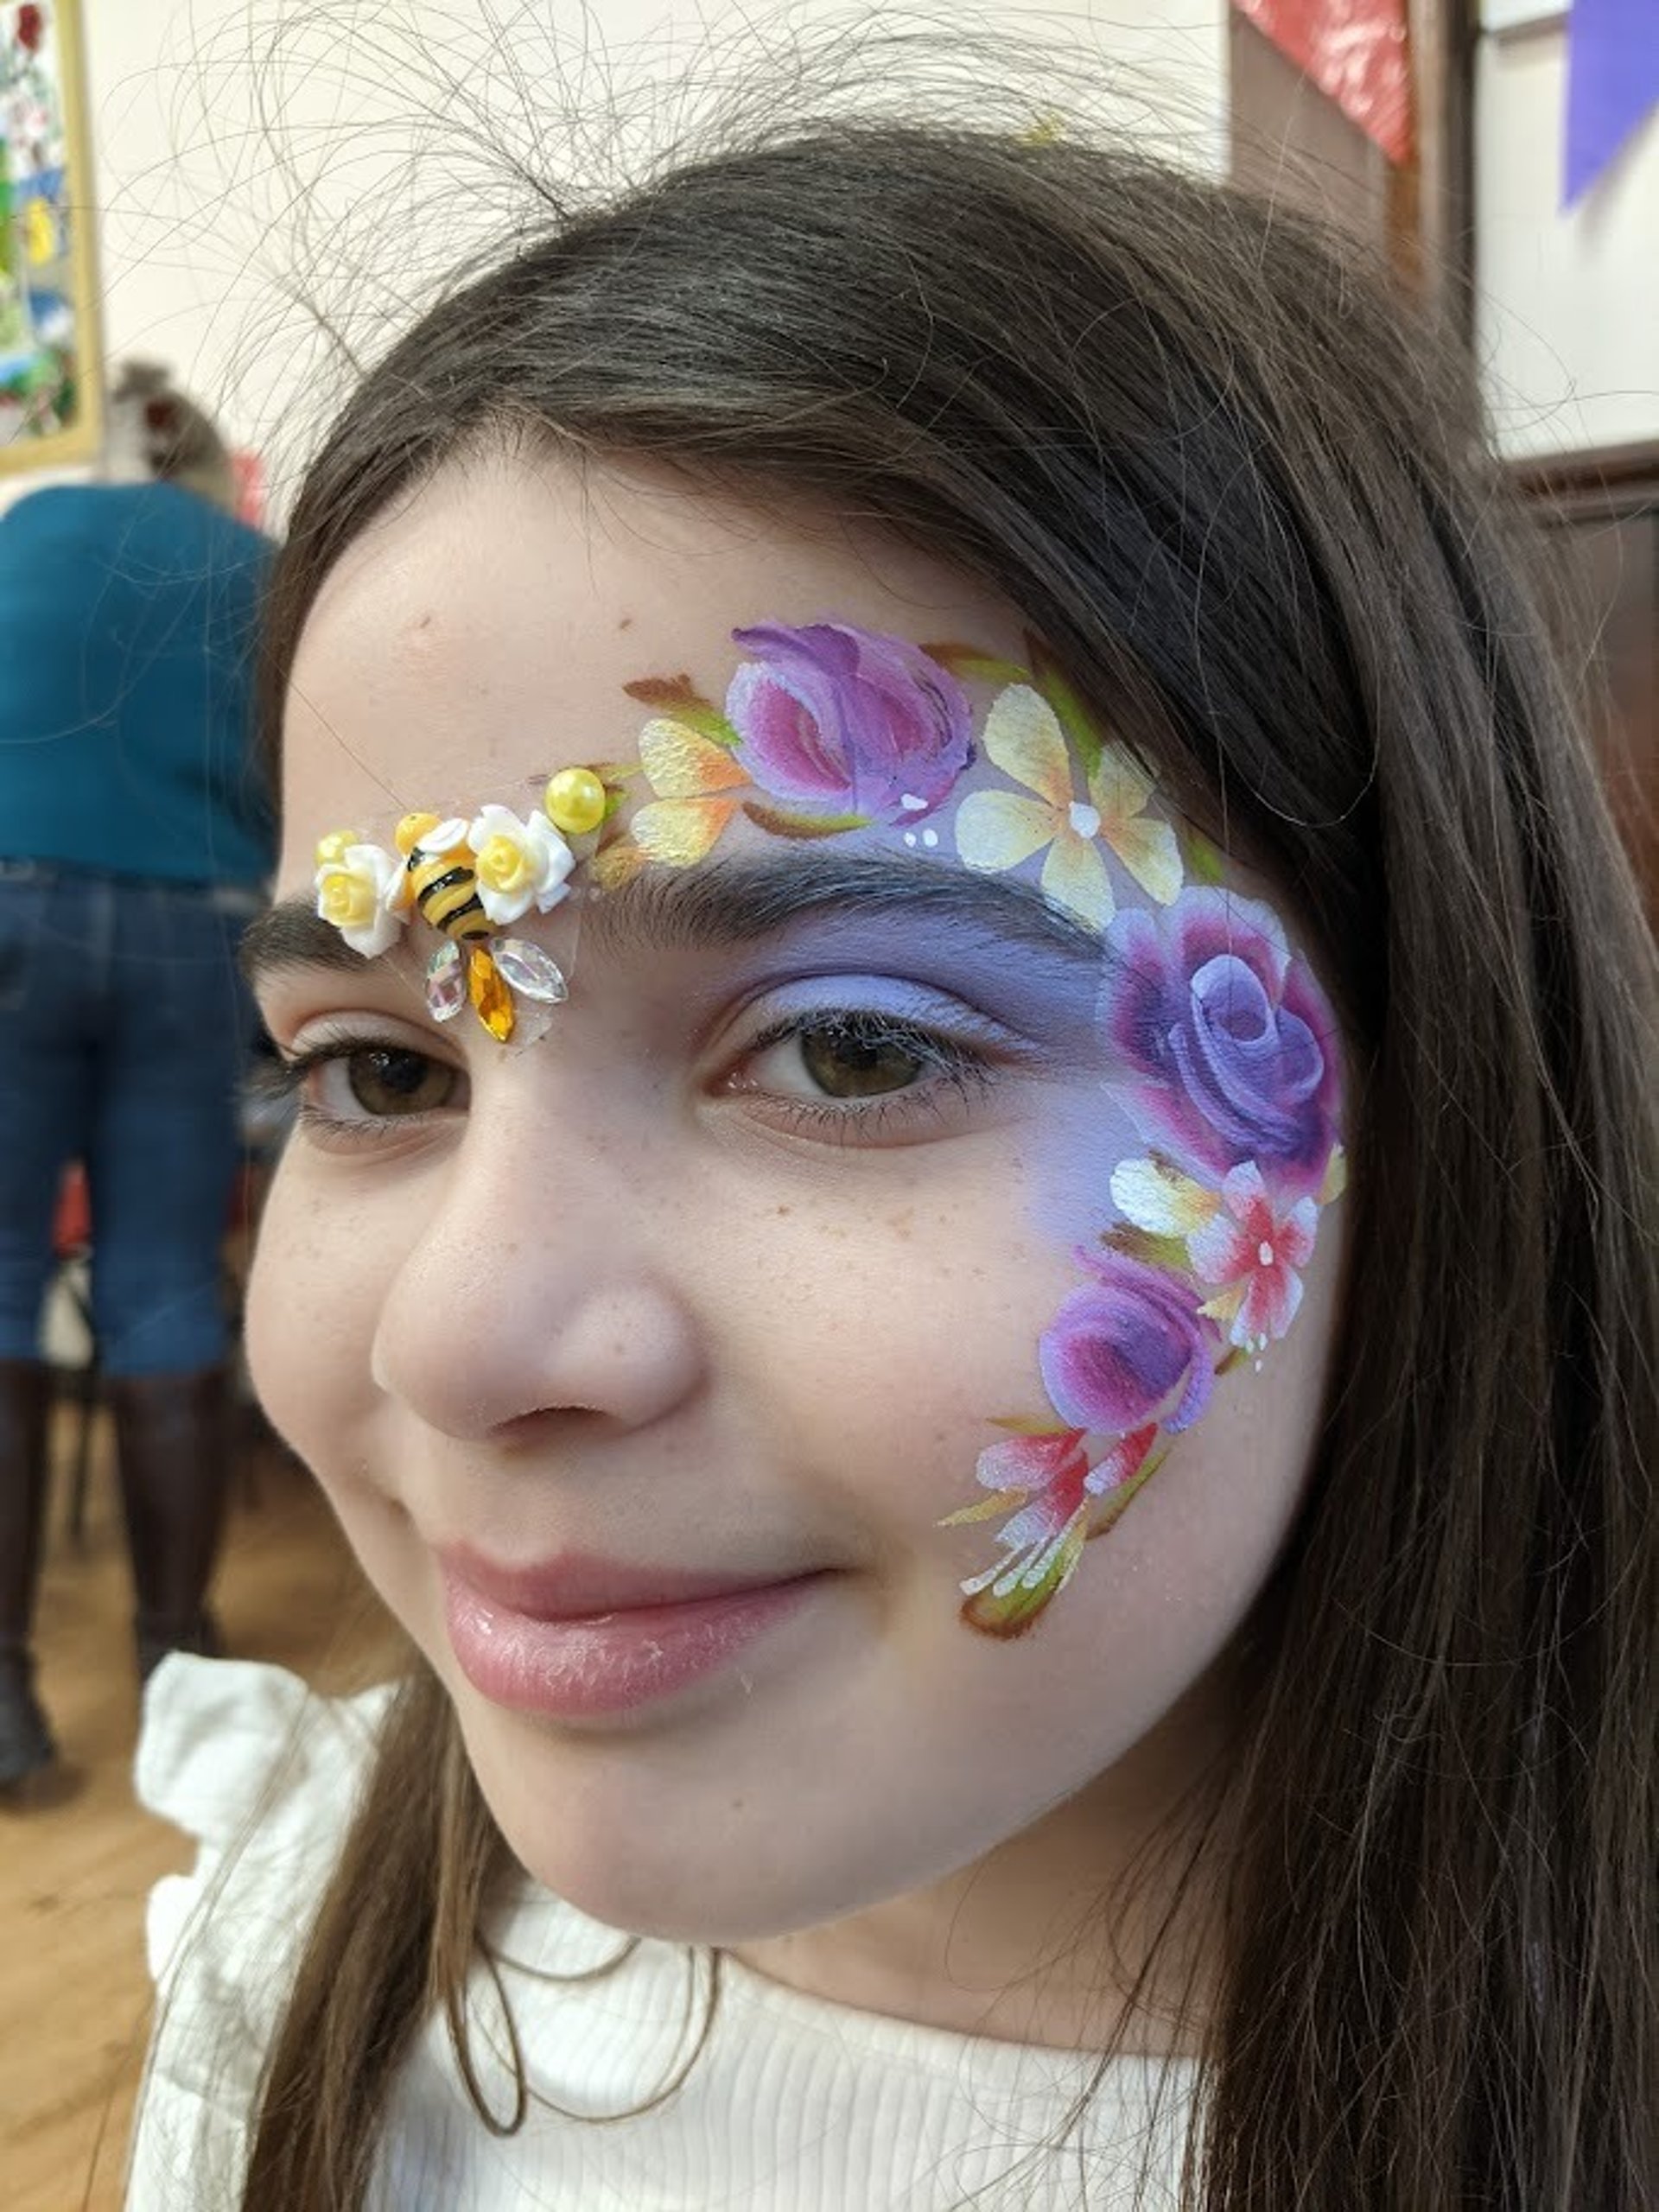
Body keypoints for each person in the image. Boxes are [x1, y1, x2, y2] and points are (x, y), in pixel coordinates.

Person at [125, 114, 1656, 2212]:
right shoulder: (291, 1965)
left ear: (1429, 1087)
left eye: (854, 1046)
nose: (463, 1336)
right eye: (380, 1076)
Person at [0, 361, 275, 1788]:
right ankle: (179, 1672)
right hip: (194, 935)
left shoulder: (26, 530)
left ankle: (4, 1710)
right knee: (164, 1295)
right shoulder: (260, 568)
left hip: (5, 915)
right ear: (214, 472)